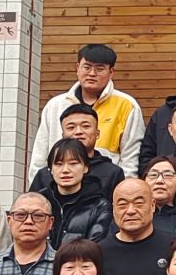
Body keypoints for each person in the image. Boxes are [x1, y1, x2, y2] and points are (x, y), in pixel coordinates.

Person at [29, 43, 143, 176]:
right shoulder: (55, 105)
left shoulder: (127, 105)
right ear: (77, 68)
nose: (92, 74)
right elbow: (40, 154)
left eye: (99, 69)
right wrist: (40, 185)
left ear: (111, 72)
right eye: (87, 67)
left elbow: (131, 158)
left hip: (106, 183)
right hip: (60, 184)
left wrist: (124, 186)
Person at [100, 178, 176, 275]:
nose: (130, 211)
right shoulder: (99, 253)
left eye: (138, 203)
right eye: (122, 205)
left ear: (152, 205)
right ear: (113, 209)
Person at [32, 104, 124, 202]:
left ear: (97, 134)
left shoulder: (112, 173)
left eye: (86, 126)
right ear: (63, 135)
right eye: (71, 127)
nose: (78, 132)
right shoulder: (44, 175)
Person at [41, 139, 114, 244]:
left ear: (86, 167)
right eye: (59, 164)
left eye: (73, 163)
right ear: (51, 169)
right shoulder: (40, 202)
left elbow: (95, 246)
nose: (65, 170)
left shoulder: (99, 206)